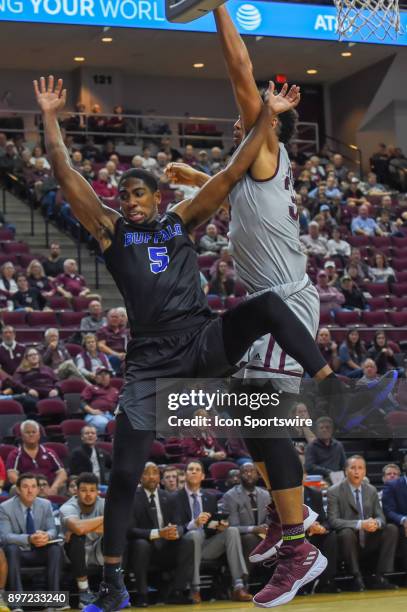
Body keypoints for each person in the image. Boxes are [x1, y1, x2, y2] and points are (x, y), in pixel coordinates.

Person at [35, 73, 356, 612]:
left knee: (269, 307)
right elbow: (66, 172)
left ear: (157, 196)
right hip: (150, 363)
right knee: (124, 474)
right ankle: (112, 582)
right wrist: (48, 116)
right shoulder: (113, 231)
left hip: (202, 340)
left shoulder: (181, 221)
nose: (129, 201)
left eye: (138, 194)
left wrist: (268, 119)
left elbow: (233, 171)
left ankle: (329, 381)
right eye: (123, 195)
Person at [174, 460, 251, 603]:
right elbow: (176, 528)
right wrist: (194, 523)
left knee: (232, 531)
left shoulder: (209, 497)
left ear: (203, 476)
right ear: (185, 475)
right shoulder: (175, 498)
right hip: (185, 547)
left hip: (207, 545)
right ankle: (195, 589)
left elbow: (211, 527)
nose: (194, 471)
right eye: (190, 469)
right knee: (195, 534)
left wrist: (219, 528)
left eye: (197, 469)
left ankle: (238, 585)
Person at [327, 455, 399, 591]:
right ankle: (356, 577)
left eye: (360, 468)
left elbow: (381, 517)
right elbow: (333, 521)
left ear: (365, 472)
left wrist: (376, 523)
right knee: (346, 533)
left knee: (391, 528)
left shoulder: (371, 490)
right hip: (348, 542)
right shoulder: (334, 491)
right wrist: (360, 524)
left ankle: (380, 576)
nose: (356, 471)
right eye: (353, 468)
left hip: (369, 538)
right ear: (345, 471)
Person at [127, 463, 194, 606]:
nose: (151, 477)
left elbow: (179, 524)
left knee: (187, 541)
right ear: (139, 477)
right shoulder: (132, 498)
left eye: (155, 472)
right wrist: (159, 533)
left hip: (165, 548)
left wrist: (175, 532)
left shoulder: (169, 497)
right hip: (143, 549)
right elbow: (130, 530)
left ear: (159, 477)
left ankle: (177, 592)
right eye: (147, 473)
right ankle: (142, 595)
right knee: (140, 544)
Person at [0, 473, 63, 595]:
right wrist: (29, 539)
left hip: (39, 550)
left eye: (34, 486)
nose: (30, 491)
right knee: (11, 549)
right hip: (18, 553)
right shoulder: (5, 508)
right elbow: (5, 537)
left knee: (55, 549)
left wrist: (46, 536)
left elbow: (53, 530)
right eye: (25, 487)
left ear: (38, 489)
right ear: (18, 489)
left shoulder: (45, 504)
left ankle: (54, 599)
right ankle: (16, 602)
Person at [60, 473, 105, 609]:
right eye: (84, 490)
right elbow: (79, 530)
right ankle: (84, 591)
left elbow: (117, 527)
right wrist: (106, 518)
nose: (88, 494)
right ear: (76, 491)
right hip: (73, 553)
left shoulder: (104, 504)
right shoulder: (67, 507)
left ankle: (113, 589)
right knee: (76, 536)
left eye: (92, 490)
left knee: (117, 537)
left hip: (98, 548)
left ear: (98, 492)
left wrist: (81, 527)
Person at [222, 463, 271, 570]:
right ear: (240, 476)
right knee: (250, 539)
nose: (249, 474)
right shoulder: (230, 496)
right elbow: (233, 526)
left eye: (252, 471)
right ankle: (244, 579)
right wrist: (254, 529)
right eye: (245, 471)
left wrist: (267, 528)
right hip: (240, 537)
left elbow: (270, 519)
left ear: (258, 475)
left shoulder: (266, 495)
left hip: (263, 534)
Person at [6, 420, 67, 494]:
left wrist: (54, 487)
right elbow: (12, 476)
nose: (31, 434)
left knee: (63, 486)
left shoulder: (49, 452)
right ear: (22, 436)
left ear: (39, 435)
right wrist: (30, 488)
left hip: (48, 487)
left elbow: (62, 473)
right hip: (27, 489)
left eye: (34, 432)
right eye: (27, 432)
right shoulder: (15, 454)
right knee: (14, 488)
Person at [382, 456, 407, 580]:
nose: (391, 475)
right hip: (401, 523)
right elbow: (388, 510)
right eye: (389, 473)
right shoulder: (392, 485)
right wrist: (403, 520)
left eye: (394, 473)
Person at [304, 417, 346, 484]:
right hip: (319, 480)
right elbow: (309, 467)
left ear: (332, 430)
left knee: (364, 480)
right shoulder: (311, 446)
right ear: (317, 431)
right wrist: (329, 472)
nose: (324, 430)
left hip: (337, 479)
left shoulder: (338, 446)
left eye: (327, 427)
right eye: (321, 428)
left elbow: (344, 465)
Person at [80, 368, 119, 434]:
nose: (103, 376)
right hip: (95, 415)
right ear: (96, 378)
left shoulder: (115, 390)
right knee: (103, 423)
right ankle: (103, 441)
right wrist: (91, 411)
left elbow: (120, 404)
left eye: (106, 374)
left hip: (112, 415)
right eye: (100, 374)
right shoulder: (91, 388)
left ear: (109, 377)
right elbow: (82, 402)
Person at [96, 308, 129, 375]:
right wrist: (117, 354)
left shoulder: (125, 331)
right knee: (115, 359)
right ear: (107, 319)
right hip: (110, 355)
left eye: (116, 317)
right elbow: (101, 346)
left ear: (119, 319)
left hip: (125, 355)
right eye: (112, 317)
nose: (114, 319)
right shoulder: (102, 331)